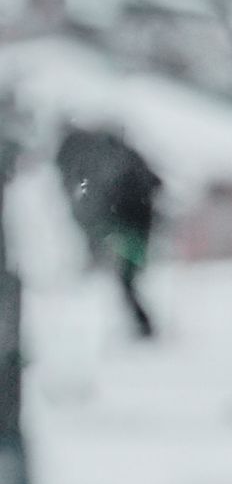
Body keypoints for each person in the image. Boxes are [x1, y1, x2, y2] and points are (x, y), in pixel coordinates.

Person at [53, 114, 163, 340]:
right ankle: (142, 324)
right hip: (138, 227)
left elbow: (101, 196)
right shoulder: (129, 159)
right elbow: (156, 183)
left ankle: (144, 326)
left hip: (129, 228)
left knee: (126, 279)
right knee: (127, 279)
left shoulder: (114, 163)